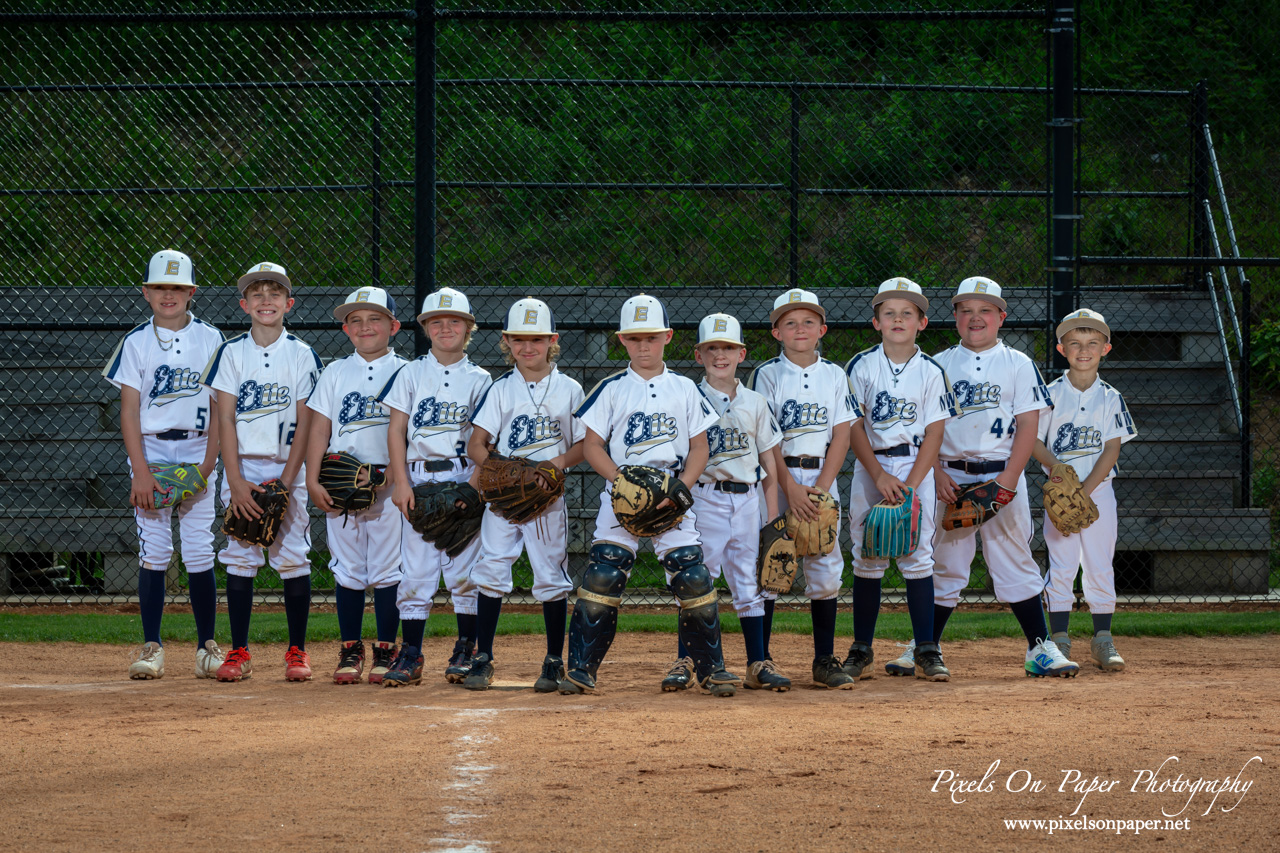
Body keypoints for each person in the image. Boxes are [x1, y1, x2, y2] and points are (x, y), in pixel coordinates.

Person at [560, 293, 738, 696]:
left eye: (652, 338)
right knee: (604, 573)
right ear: (622, 339)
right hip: (620, 494)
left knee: (692, 575)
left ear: (668, 337)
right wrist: (620, 483)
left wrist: (681, 488)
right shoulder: (611, 388)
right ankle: (581, 668)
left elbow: (699, 448)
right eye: (636, 338)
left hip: (671, 492)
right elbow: (591, 446)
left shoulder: (684, 388)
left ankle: (711, 669)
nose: (644, 346)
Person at [909, 276, 1078, 679]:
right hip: (949, 477)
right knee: (944, 565)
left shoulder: (1018, 363)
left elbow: (1028, 428)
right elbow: (922, 429)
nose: (975, 317)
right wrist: (934, 472)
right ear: (954, 317)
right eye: (965, 310)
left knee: (1016, 561)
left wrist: (1008, 481)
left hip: (1003, 474)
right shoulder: (937, 364)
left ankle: (1040, 649)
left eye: (984, 310)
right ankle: (923, 648)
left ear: (1001, 316)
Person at [103, 249, 224, 680]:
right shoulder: (135, 342)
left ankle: (206, 646)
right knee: (154, 550)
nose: (167, 295)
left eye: (176, 287)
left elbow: (219, 409)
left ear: (191, 292)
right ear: (146, 292)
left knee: (197, 550)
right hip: (151, 453)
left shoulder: (211, 339)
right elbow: (128, 411)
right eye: (159, 287)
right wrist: (139, 470)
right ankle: (152, 645)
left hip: (196, 451)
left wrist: (208, 466)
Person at [202, 261, 322, 682]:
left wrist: (289, 481)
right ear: (244, 304)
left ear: (288, 303)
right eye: (257, 294)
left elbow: (307, 421)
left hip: (289, 467)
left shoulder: (302, 353)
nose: (266, 300)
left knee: (292, 558)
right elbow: (225, 420)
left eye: (274, 293)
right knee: (240, 555)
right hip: (245, 467)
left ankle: (297, 651)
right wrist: (234, 480)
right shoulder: (231, 352)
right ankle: (238, 650)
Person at [462, 298, 585, 692]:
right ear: (506, 341)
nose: (527, 347)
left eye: (536, 339)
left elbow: (584, 444)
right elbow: (476, 444)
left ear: (553, 340)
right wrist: (500, 471)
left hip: (547, 497)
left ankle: (553, 661)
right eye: (518, 340)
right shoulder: (501, 389)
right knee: (493, 567)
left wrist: (554, 466)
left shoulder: (569, 388)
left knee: (551, 574)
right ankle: (483, 657)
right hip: (503, 500)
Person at [378, 287, 491, 687]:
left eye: (454, 321)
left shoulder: (481, 379)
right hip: (419, 477)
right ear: (426, 328)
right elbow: (395, 431)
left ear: (468, 328)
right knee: (416, 572)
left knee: (465, 571)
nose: (446, 328)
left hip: (463, 476)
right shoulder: (409, 373)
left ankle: (466, 646)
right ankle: (411, 652)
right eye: (436, 322)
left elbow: (485, 437)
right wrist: (401, 483)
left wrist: (472, 490)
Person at [844, 279, 956, 681]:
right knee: (867, 554)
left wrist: (909, 484)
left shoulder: (931, 370)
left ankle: (926, 648)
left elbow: (936, 435)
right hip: (871, 466)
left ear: (922, 322)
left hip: (915, 468)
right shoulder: (861, 365)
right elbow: (853, 425)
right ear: (876, 322)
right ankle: (861, 649)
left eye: (907, 313)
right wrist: (877, 473)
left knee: (918, 554)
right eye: (888, 312)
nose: (897, 319)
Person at [747, 289, 859, 689]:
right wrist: (789, 488)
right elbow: (764, 438)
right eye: (790, 322)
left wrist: (822, 490)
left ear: (822, 329)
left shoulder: (834, 374)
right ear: (776, 332)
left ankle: (824, 660)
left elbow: (842, 436)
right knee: (772, 569)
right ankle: (762, 660)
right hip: (776, 480)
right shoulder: (767, 374)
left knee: (826, 573)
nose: (800, 328)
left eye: (808, 321)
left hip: (820, 479)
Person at [304, 286, 406, 684]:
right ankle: (350, 650)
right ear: (346, 329)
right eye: (356, 320)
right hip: (339, 483)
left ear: (393, 326)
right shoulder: (335, 372)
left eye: (375, 318)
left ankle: (385, 648)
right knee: (347, 570)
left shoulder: (406, 371)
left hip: (386, 482)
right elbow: (319, 430)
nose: (366, 327)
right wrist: (312, 480)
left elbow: (406, 433)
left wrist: (392, 479)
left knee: (386, 569)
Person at [689, 312, 790, 691]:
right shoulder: (689, 397)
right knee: (697, 582)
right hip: (705, 498)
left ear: (742, 353)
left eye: (728, 347)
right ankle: (688, 660)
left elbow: (768, 462)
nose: (720, 355)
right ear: (699, 355)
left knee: (751, 585)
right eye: (712, 348)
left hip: (748, 500)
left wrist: (773, 517)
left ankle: (757, 663)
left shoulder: (755, 402)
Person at [1032, 308, 1137, 671]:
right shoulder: (1048, 394)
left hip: (1099, 493)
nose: (1083, 350)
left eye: (1093, 343)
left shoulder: (1110, 397)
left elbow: (1112, 447)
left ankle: (1103, 640)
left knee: (1098, 564)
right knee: (1060, 564)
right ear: (1061, 349)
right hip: (1059, 493)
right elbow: (1033, 440)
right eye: (1074, 343)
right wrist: (1061, 476)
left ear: (1106, 348)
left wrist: (1086, 490)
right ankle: (1059, 639)